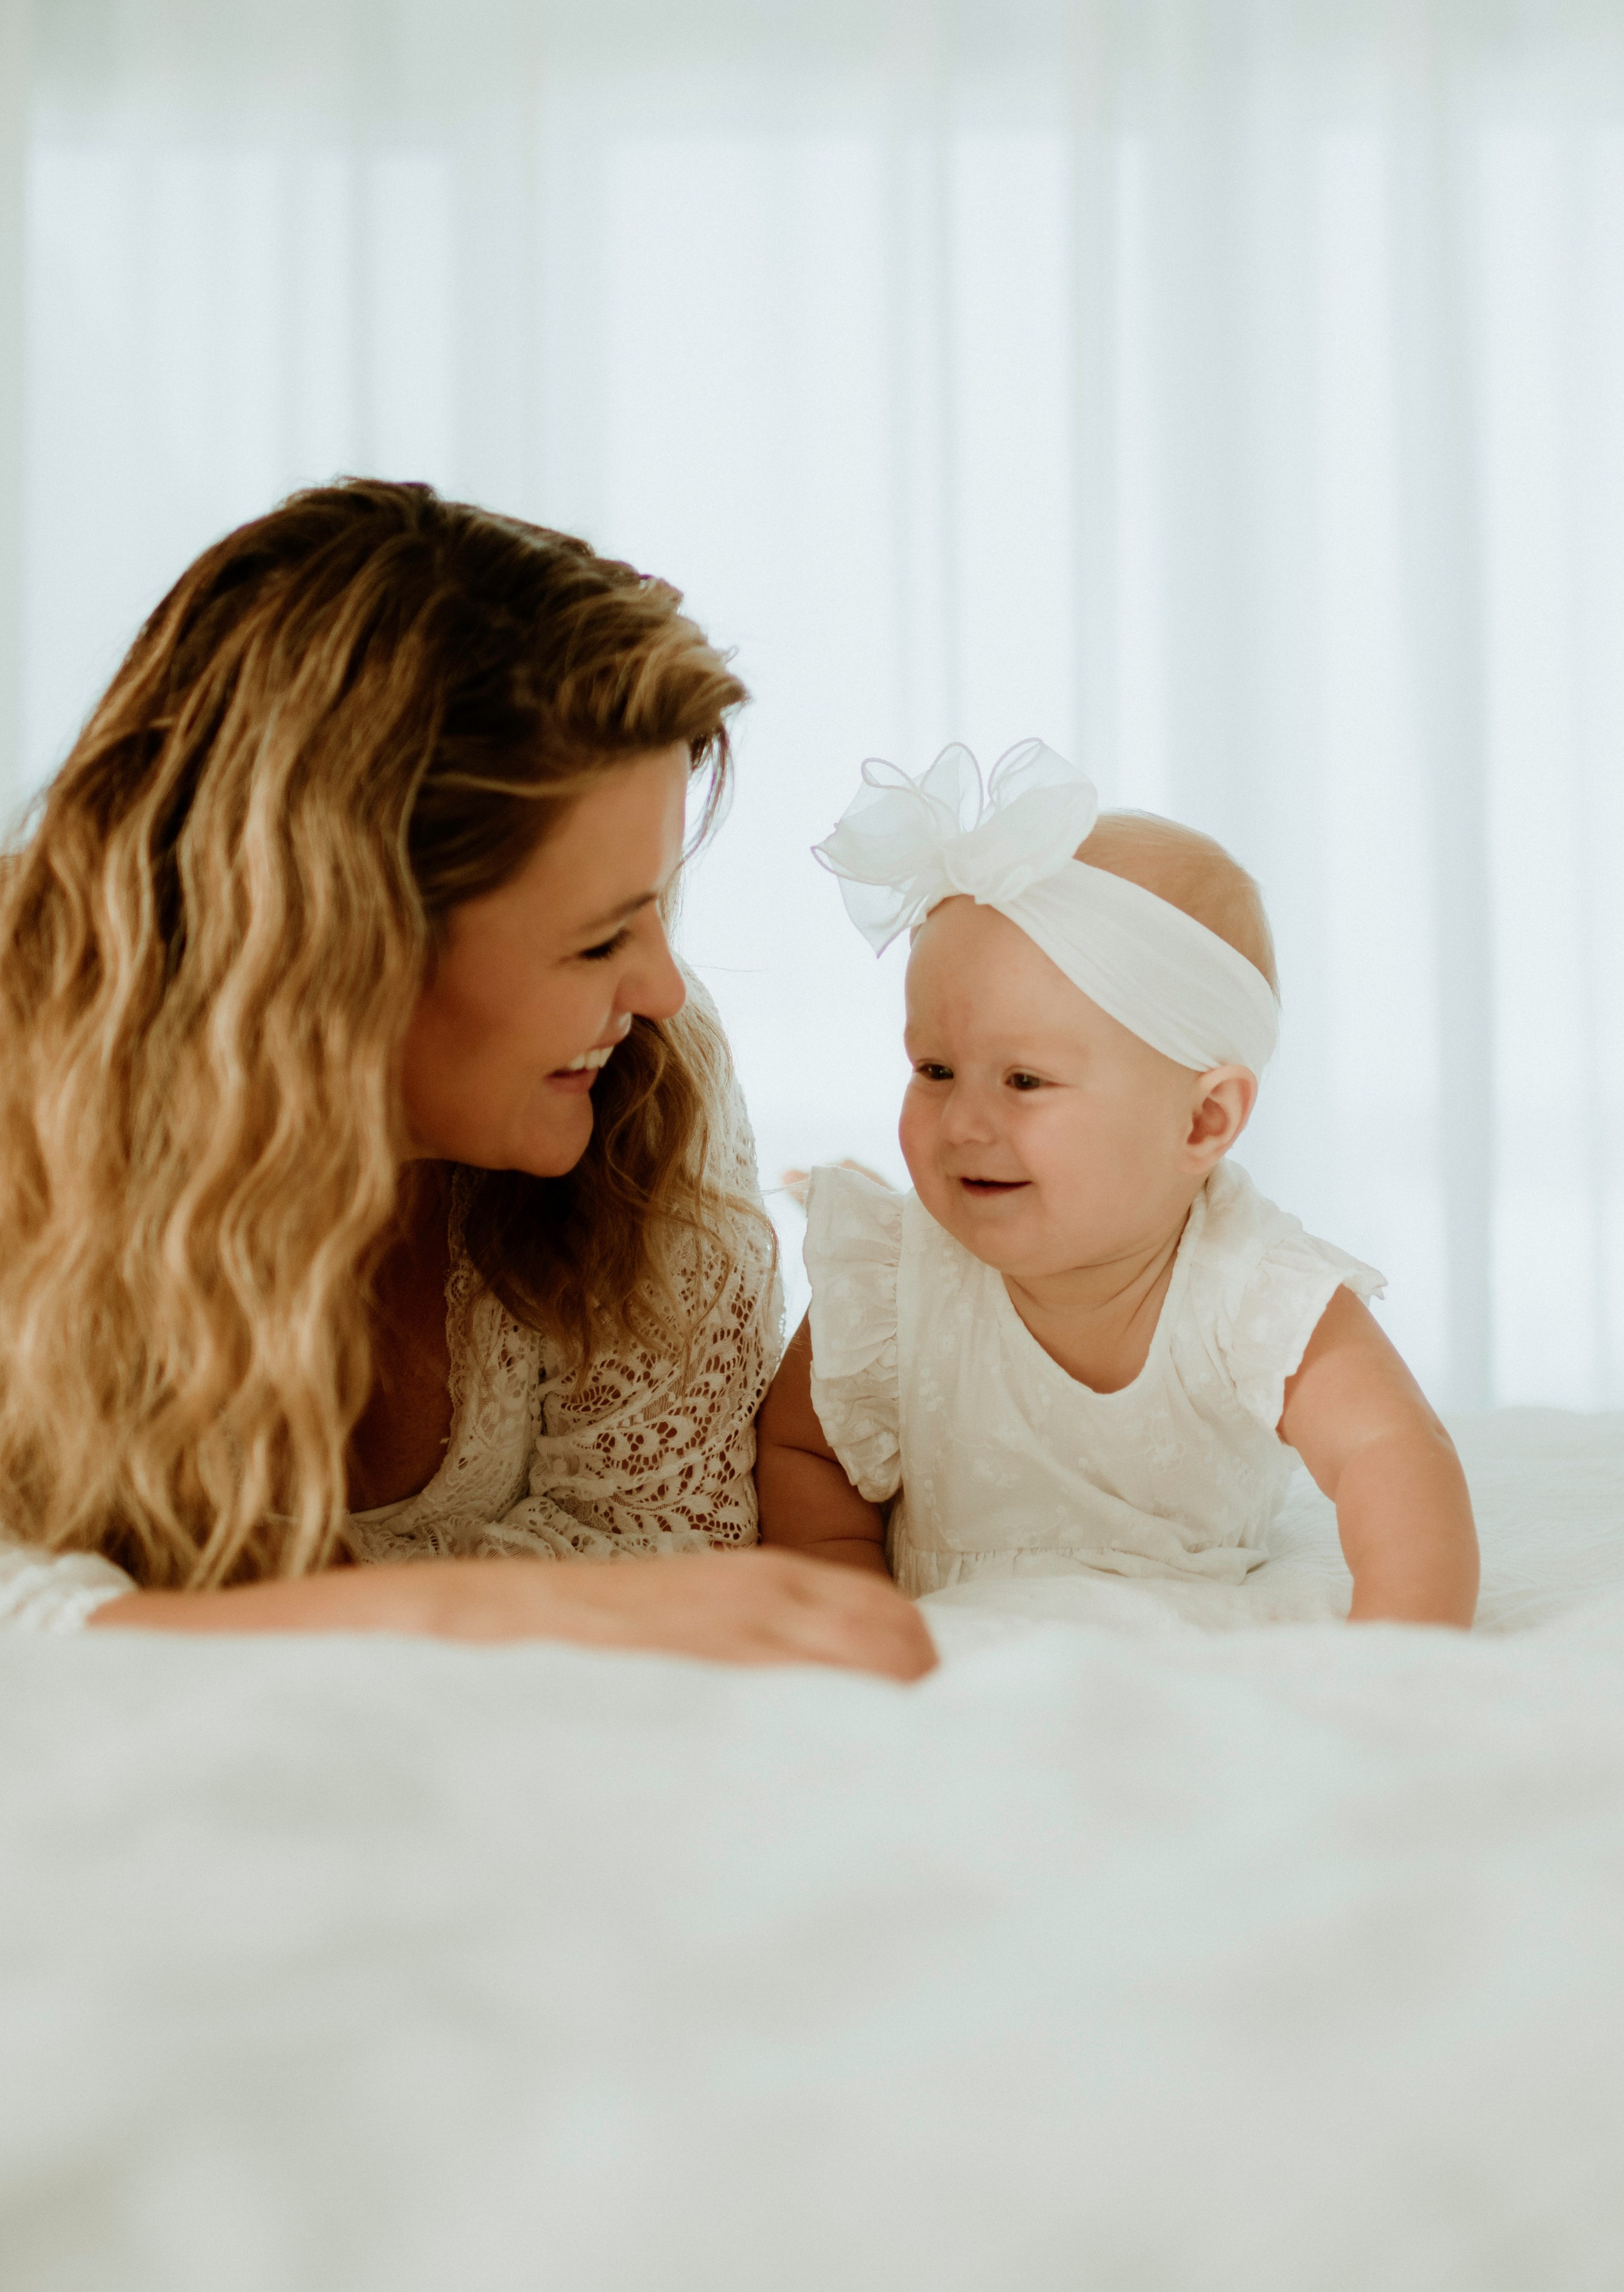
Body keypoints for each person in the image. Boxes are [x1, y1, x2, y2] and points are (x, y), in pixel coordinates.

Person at [0, 479, 933, 1681]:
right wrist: (459, 1615)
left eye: (656, 912)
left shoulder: (644, 1082)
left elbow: (661, 1557)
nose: (658, 986)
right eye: (597, 939)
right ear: (338, 944)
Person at [756, 740, 1480, 1628]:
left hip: (1193, 1653)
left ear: (1201, 1123)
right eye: (935, 1069)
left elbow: (1392, 1452)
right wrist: (849, 1601)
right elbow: (804, 1451)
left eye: (1024, 1081)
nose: (964, 1123)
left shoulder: (1250, 1285)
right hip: (955, 1664)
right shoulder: (892, 1281)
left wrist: (1403, 1650)